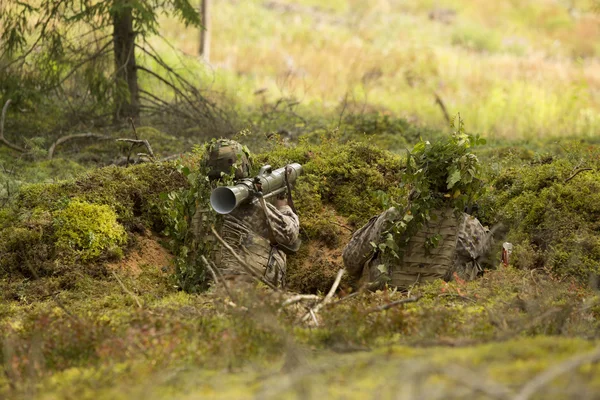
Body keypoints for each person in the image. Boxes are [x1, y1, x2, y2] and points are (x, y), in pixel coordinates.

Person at [342, 135, 493, 290]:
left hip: (384, 297)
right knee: (475, 265)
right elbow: (490, 260)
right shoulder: (469, 225)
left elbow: (351, 260)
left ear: (420, 180)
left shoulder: (393, 216)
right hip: (440, 299)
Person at [194, 139, 300, 288]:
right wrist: (283, 206)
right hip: (249, 288)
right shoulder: (248, 205)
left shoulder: (198, 203)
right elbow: (289, 234)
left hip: (207, 283)